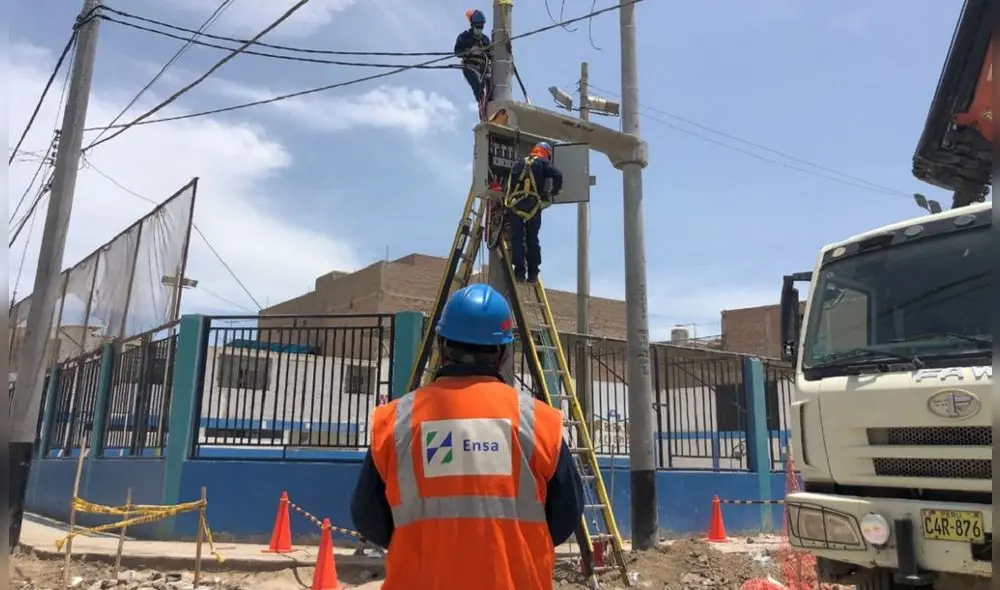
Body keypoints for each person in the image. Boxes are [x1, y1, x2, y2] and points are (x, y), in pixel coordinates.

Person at [350, 284, 585, 590]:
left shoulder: (396, 421)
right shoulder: (539, 421)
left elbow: (367, 517)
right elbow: (566, 513)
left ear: (442, 344)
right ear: (502, 353)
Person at [503, 142, 563, 283]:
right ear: (546, 153)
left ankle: (519, 273)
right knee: (532, 239)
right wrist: (553, 192)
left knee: (517, 238)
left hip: (515, 204)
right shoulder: (542, 163)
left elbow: (509, 185)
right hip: (533, 206)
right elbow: (558, 175)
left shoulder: (518, 164)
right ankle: (533, 274)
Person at [455, 9, 493, 107]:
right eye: (477, 26)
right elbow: (457, 52)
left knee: (492, 87)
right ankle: (482, 105)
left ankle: (491, 106)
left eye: (481, 26)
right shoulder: (464, 37)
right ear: (472, 25)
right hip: (470, 65)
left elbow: (491, 55)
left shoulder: (485, 40)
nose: (479, 29)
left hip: (484, 67)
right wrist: (468, 51)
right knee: (478, 87)